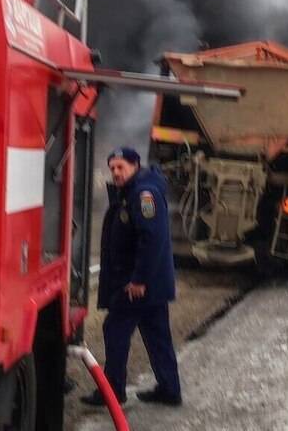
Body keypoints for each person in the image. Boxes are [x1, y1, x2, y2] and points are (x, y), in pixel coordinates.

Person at [81, 147, 182, 407]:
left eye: (120, 167)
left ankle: (113, 392)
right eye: (112, 167)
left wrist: (139, 280)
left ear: (135, 165)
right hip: (151, 284)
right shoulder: (133, 191)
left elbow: (152, 239)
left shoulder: (143, 194)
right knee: (157, 334)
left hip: (137, 286)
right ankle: (170, 389)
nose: (115, 172)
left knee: (114, 330)